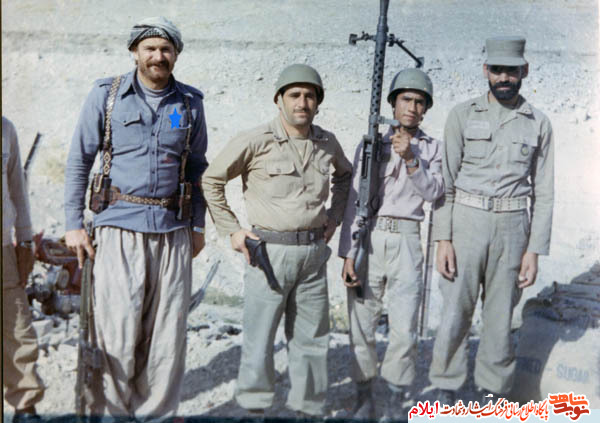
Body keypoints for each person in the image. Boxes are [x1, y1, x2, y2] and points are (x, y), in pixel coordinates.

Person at [64, 17, 208, 420]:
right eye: (150, 48)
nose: (158, 56)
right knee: (116, 329)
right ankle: (113, 414)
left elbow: (198, 168)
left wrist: (197, 226)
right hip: (118, 226)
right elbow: (79, 160)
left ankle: (155, 415)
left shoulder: (190, 103)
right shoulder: (107, 96)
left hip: (173, 229)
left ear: (176, 54)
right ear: (135, 52)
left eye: (166, 49)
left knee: (167, 335)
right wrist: (73, 224)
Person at [202, 64, 352, 417]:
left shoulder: (327, 142)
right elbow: (211, 180)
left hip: (313, 254)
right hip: (268, 252)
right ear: (279, 100)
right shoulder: (256, 140)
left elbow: (345, 177)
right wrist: (232, 230)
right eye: (294, 95)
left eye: (310, 96)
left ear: (318, 102)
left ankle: (308, 407)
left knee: (312, 338)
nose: (302, 102)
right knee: (260, 337)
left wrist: (335, 218)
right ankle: (255, 408)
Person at [429, 36, 554, 405]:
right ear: (486, 70)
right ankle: (446, 388)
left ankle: (492, 393)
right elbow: (445, 183)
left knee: (500, 318)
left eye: (511, 71)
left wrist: (534, 251)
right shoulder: (462, 115)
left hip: (513, 227)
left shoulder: (539, 123)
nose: (504, 78)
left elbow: (545, 193)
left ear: (524, 71)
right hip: (466, 223)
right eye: (497, 70)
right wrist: (443, 239)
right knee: (455, 311)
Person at [338, 69, 444, 419]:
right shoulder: (371, 144)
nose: (412, 107)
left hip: (408, 238)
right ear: (393, 104)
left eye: (419, 102)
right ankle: (364, 396)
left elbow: (434, 192)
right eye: (405, 99)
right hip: (369, 237)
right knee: (362, 321)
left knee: (404, 326)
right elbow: (354, 200)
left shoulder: (433, 149)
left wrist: (412, 159)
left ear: (425, 109)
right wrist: (348, 252)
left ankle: (397, 399)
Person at [2, 117, 46, 423]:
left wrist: (26, 239)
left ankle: (25, 406)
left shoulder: (5, 129)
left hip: (4, 248)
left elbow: (17, 187)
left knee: (17, 328)